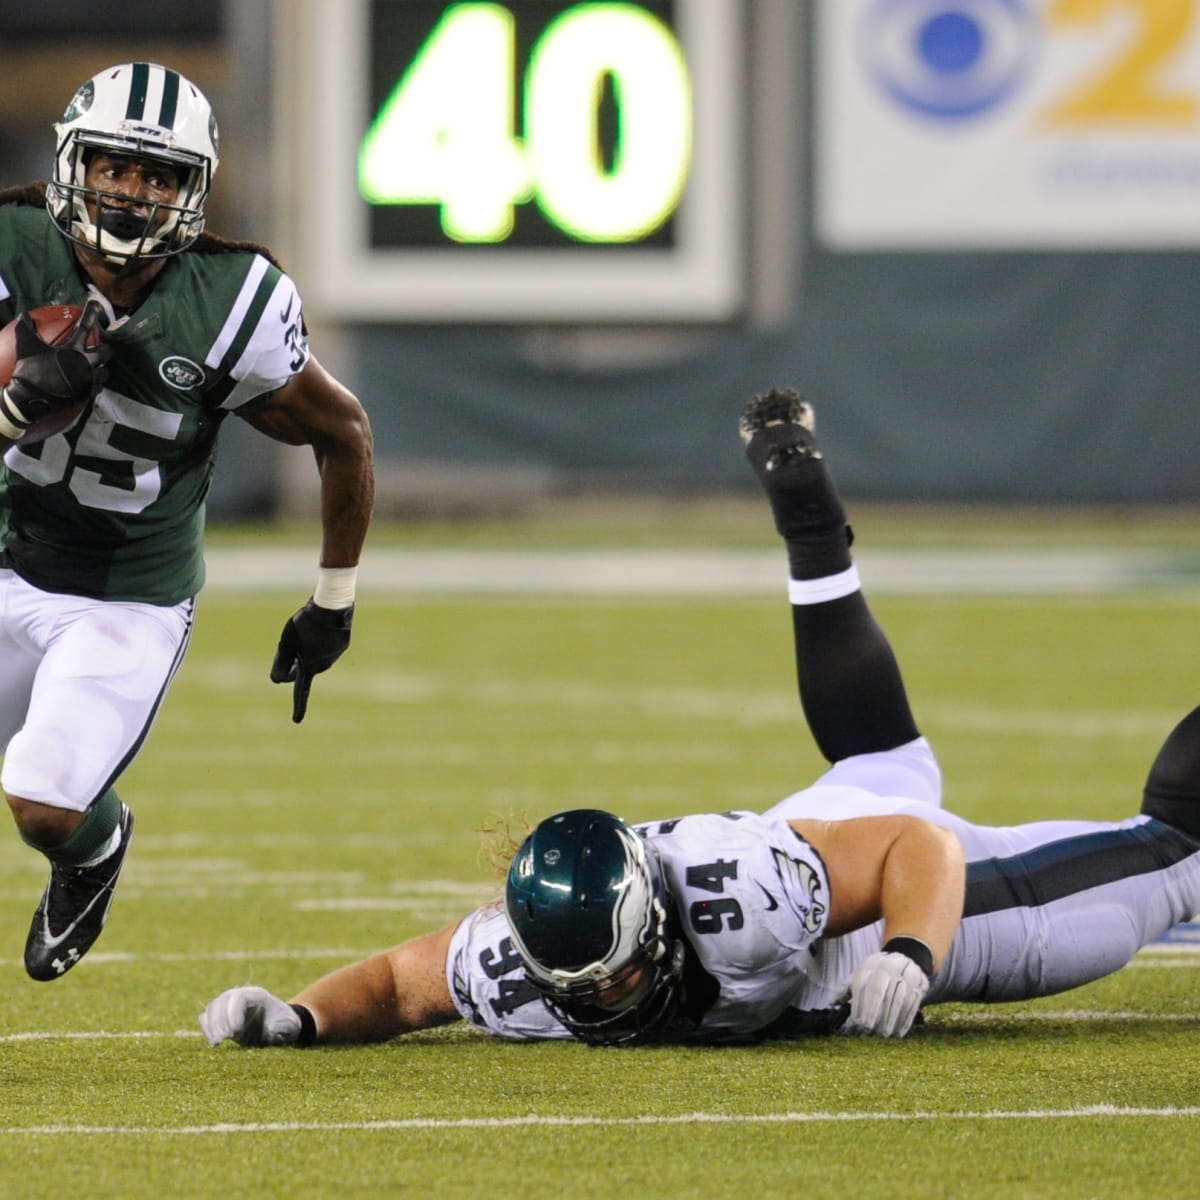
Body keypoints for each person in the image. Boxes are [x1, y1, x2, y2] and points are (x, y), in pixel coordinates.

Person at [201, 388, 1200, 1049]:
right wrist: (295, 1019)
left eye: (609, 978)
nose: (595, 1006)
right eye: (577, 990)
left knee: (1173, 851)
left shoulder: (745, 899)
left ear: (659, 927)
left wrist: (909, 957)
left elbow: (917, 846)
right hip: (824, 830)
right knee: (876, 753)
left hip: (885, 915)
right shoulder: (526, 960)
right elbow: (396, 983)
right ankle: (815, 536)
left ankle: (816, 535)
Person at [0, 62, 374, 982]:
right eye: (117, 168)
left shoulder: (233, 303)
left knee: (44, 801)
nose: (133, 193)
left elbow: (343, 434)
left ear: (194, 190)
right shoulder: (10, 245)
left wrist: (333, 601)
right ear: (72, 163)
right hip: (7, 556)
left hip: (123, 598)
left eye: (159, 175)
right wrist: (9, 411)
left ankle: (93, 849)